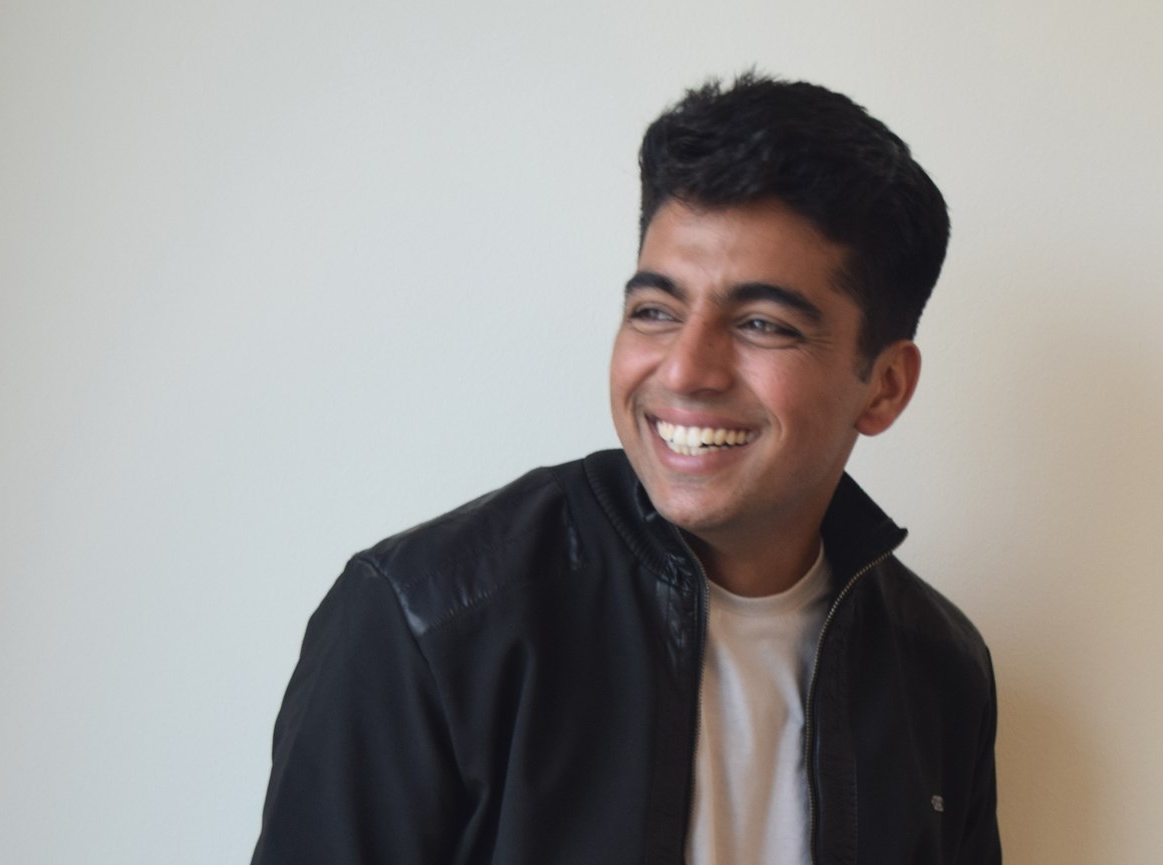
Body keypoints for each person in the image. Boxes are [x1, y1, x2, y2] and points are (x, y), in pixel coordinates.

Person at [251, 72, 1000, 865]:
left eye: (761, 323)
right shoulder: (424, 621)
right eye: (655, 310)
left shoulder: (939, 670)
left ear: (884, 386)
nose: (685, 369)